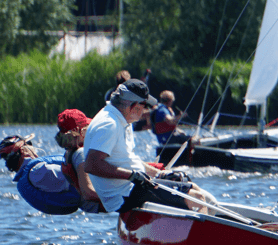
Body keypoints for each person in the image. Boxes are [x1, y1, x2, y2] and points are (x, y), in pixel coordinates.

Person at [83, 79, 216, 214]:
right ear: (134, 105)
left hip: (131, 188)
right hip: (124, 194)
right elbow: (91, 165)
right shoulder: (109, 124)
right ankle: (200, 226)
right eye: (144, 105)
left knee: (193, 186)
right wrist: (132, 175)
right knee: (198, 198)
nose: (145, 110)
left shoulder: (119, 119)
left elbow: (125, 160)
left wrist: (158, 173)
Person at [0, 133, 83, 215]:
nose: (33, 147)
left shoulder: (28, 177)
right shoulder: (37, 171)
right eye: (29, 143)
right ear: (23, 150)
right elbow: (80, 179)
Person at [55, 109, 104, 213]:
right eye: (88, 128)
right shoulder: (81, 154)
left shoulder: (69, 151)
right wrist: (119, 199)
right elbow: (88, 193)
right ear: (80, 131)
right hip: (96, 204)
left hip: (90, 203)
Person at [152, 90, 193, 158]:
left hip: (166, 138)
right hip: (167, 139)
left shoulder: (161, 108)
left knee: (186, 136)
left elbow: (169, 125)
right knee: (192, 140)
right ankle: (190, 158)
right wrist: (181, 116)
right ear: (170, 101)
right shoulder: (163, 110)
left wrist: (180, 131)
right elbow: (170, 121)